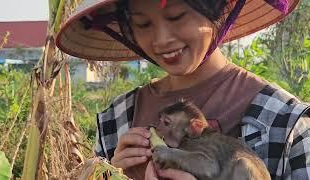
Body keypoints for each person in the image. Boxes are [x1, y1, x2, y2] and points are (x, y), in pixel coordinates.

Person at [56, 0, 310, 179]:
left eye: (177, 16)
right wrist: (111, 174)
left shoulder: (287, 122)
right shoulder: (117, 119)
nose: (162, 39)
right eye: (143, 24)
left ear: (222, 7)